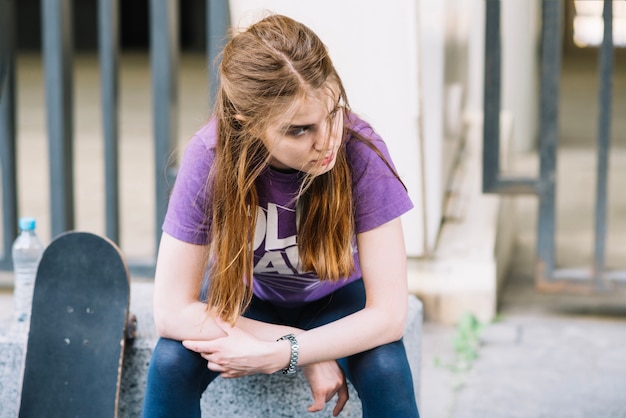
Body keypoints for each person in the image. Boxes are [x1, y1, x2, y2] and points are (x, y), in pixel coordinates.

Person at [142, 14, 420, 418]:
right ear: (248, 124)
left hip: (337, 300)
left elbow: (390, 315)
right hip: (246, 300)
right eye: (299, 130)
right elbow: (170, 311)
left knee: (386, 368)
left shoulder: (359, 152)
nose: (327, 140)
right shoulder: (210, 157)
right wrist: (297, 346)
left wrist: (284, 353)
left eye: (333, 112)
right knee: (169, 364)